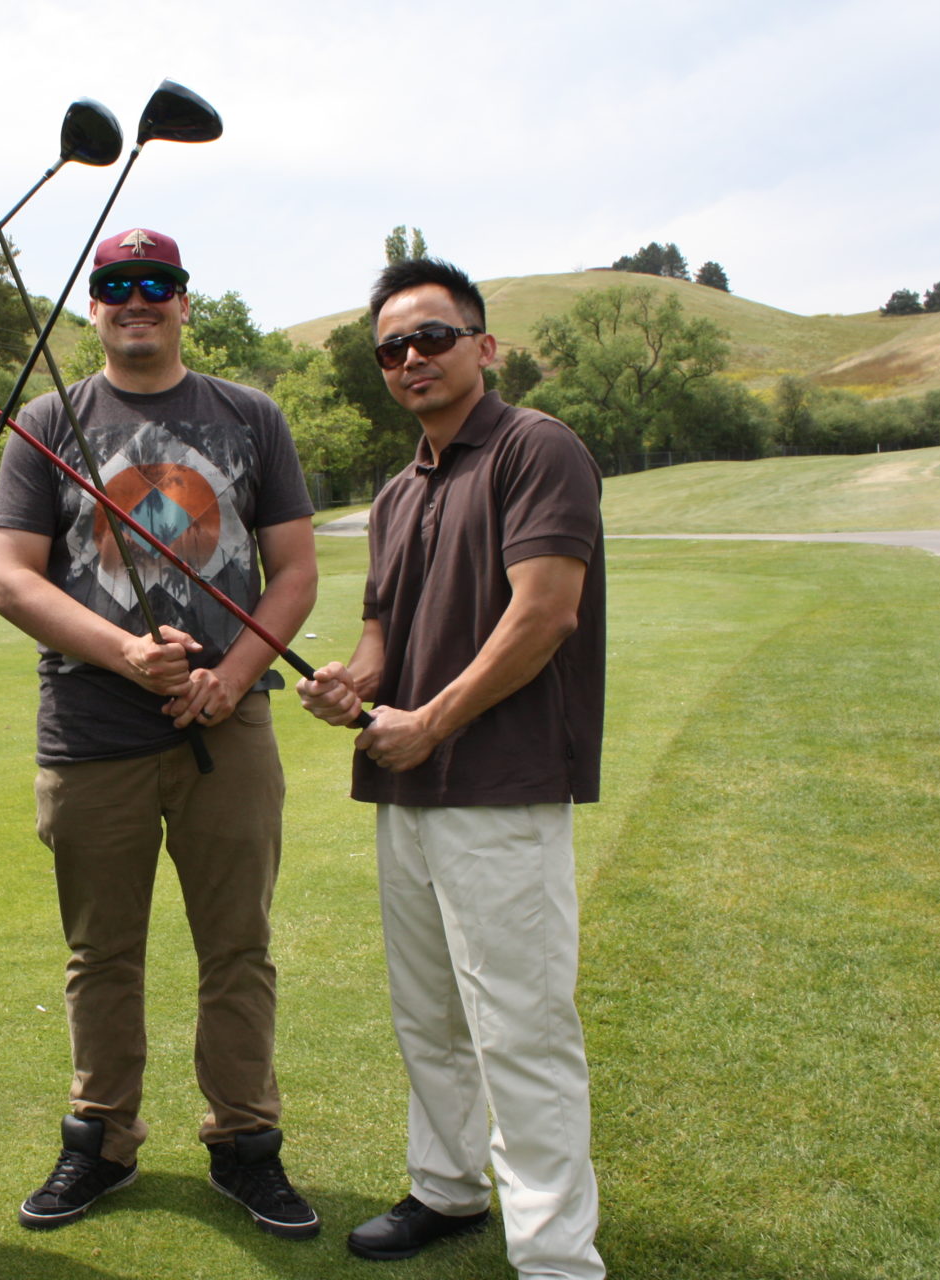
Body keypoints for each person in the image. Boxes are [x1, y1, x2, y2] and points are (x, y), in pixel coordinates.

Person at [0, 228, 321, 1239]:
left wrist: (232, 674)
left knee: (238, 944)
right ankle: (100, 1137)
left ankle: (246, 1142)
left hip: (230, 726)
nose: (138, 300)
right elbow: (10, 578)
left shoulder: (251, 416)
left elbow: (295, 570)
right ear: (94, 305)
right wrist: (127, 654)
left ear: (184, 300)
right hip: (91, 732)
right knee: (102, 954)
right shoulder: (47, 420)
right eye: (117, 285)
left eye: (156, 285)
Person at [296, 258, 606, 1277]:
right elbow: (384, 630)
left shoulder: (535, 447)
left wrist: (430, 720)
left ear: (484, 345)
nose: (412, 357)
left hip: (501, 785)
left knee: (520, 1025)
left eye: (433, 336)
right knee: (427, 1012)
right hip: (410, 786)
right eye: (393, 346)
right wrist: (355, 681)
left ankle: (558, 1255)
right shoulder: (398, 491)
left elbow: (545, 612)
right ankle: (449, 1185)